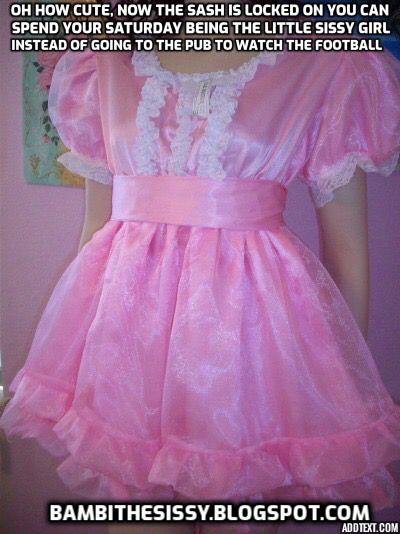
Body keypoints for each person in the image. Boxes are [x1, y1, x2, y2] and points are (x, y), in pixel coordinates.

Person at [2, 6, 400, 534]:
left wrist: (335, 390)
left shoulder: (326, 66)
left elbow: (347, 254)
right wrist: (80, 354)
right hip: (130, 346)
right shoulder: (102, 65)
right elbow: (98, 227)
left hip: (250, 350)